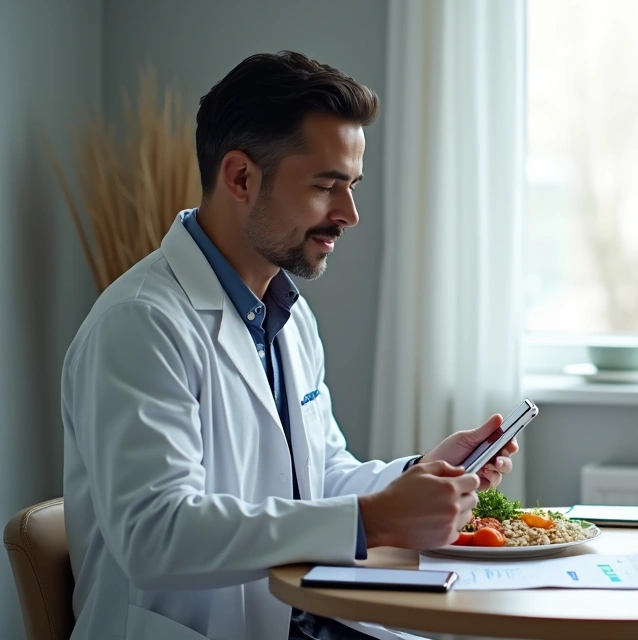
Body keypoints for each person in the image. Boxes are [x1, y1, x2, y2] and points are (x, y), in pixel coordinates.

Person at [60, 51, 518, 640]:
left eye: (351, 187)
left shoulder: (286, 314)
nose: (349, 214)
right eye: (327, 187)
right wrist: (373, 519)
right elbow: (156, 533)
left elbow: (318, 482)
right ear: (242, 177)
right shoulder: (139, 325)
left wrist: (419, 475)